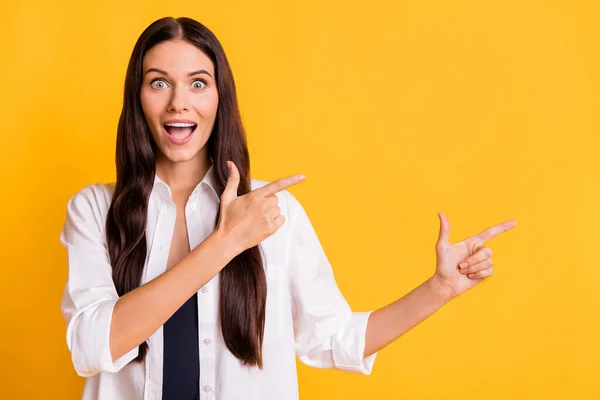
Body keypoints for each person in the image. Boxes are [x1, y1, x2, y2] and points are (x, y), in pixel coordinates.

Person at [59, 16, 517, 400]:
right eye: (159, 82)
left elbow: (335, 338)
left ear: (219, 98)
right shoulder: (96, 209)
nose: (180, 102)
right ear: (137, 98)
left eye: (198, 83)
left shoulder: (275, 214)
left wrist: (439, 289)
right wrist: (226, 243)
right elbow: (92, 345)